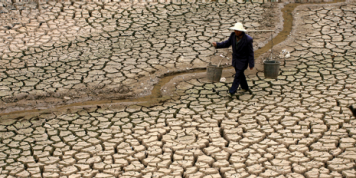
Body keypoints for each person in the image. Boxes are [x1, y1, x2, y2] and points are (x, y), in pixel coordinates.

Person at [212, 22, 254, 95]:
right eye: (235, 30)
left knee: (237, 76)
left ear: (241, 31)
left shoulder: (248, 39)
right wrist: (217, 45)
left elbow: (250, 53)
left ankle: (232, 91)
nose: (236, 32)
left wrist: (251, 64)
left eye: (237, 30)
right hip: (235, 60)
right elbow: (227, 43)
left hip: (243, 61)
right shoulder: (233, 36)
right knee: (240, 75)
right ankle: (245, 87)